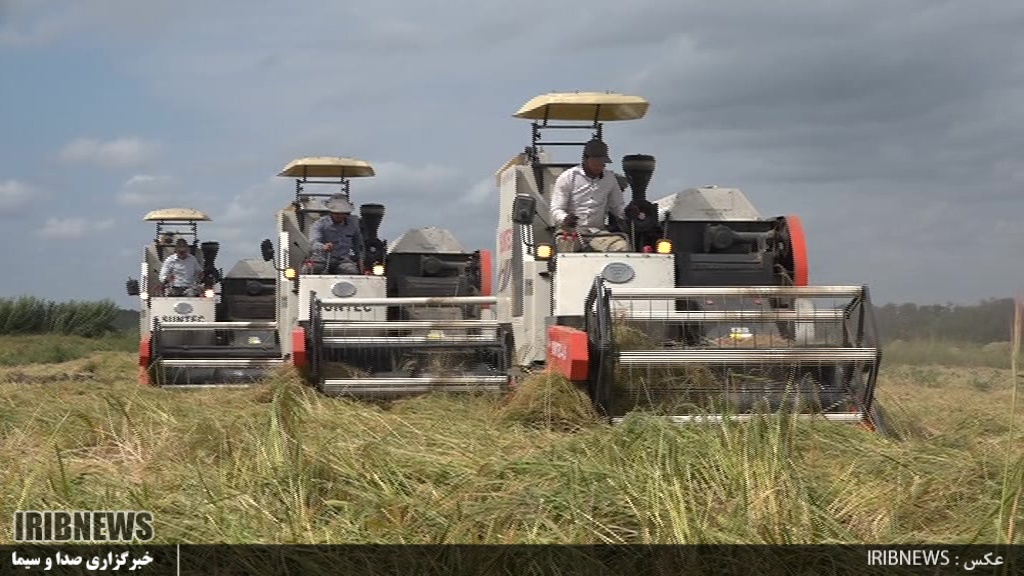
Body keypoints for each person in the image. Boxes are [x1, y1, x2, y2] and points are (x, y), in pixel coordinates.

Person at [549, 138, 640, 252]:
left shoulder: (610, 179)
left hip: (597, 232)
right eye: (596, 162)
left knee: (621, 247)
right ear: (585, 159)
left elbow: (617, 206)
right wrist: (565, 219)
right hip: (571, 231)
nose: (599, 166)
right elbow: (556, 209)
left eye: (602, 163)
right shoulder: (567, 177)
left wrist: (627, 213)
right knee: (564, 247)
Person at [305, 194, 364, 274]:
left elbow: (358, 245)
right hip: (320, 260)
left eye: (342, 213)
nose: (339, 216)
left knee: (352, 272)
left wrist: (360, 260)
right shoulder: (319, 224)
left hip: (343, 261)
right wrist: (323, 247)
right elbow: (313, 242)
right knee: (308, 270)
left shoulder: (353, 225)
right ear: (330, 212)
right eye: (336, 213)